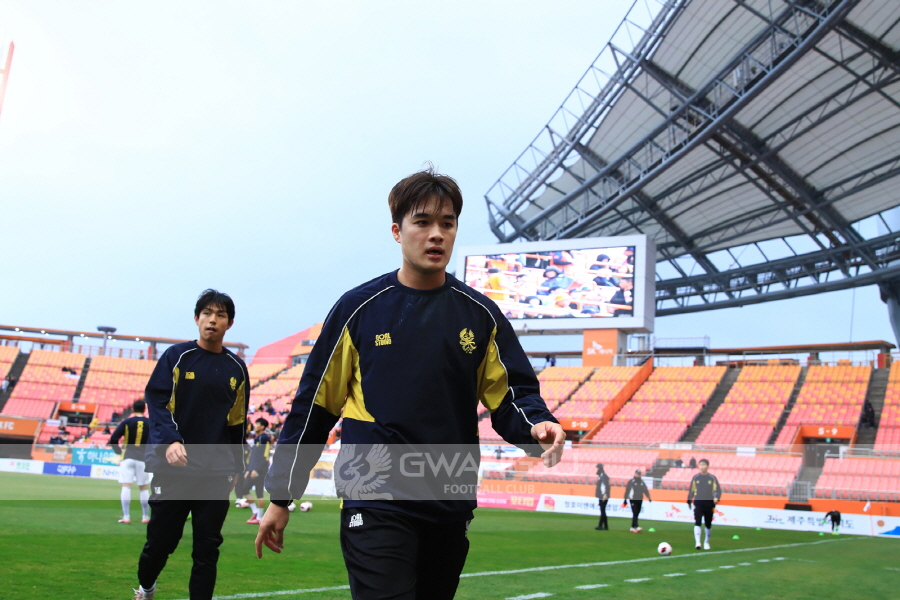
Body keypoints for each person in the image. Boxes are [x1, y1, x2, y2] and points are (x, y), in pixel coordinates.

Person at [256, 166, 565, 600]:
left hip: (449, 497)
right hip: (373, 495)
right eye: (422, 222)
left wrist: (536, 425)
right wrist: (281, 496)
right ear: (397, 232)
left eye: (447, 224)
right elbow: (314, 407)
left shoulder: (481, 316)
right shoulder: (357, 310)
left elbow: (512, 395)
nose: (436, 234)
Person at [131, 289, 249, 600]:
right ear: (196, 318)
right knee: (161, 543)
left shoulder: (237, 368)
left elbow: (237, 422)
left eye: (220, 315)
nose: (213, 320)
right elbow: (158, 403)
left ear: (229, 323)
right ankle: (147, 587)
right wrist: (170, 440)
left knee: (207, 549)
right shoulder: (177, 357)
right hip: (174, 469)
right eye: (207, 313)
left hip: (216, 472)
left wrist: (237, 467)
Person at [109, 399, 152, 524]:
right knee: (144, 488)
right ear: (144, 409)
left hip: (128, 456)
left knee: (126, 486)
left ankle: (126, 517)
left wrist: (118, 452)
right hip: (143, 458)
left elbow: (114, 438)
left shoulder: (126, 422)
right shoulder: (150, 423)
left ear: (133, 409)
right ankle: (145, 517)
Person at [243, 417, 273, 525]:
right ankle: (256, 513)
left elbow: (264, 456)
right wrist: (249, 469)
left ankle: (259, 517)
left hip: (260, 470)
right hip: (253, 469)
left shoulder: (264, 439)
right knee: (244, 489)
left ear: (262, 427)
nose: (254, 426)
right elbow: (254, 456)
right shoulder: (257, 438)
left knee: (259, 492)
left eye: (257, 424)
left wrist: (256, 469)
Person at [687, 458, 721, 550]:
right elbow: (691, 490)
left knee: (708, 523)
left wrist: (716, 497)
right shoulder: (696, 478)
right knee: (697, 521)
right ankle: (698, 542)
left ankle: (706, 542)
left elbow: (717, 490)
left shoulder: (712, 478)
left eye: (704, 465)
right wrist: (689, 500)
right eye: (700, 465)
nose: (702, 467)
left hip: (709, 503)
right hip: (698, 502)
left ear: (707, 466)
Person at [594, 463, 610, 530]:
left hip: (603, 496)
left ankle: (602, 526)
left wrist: (605, 494)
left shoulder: (603, 476)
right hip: (602, 495)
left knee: (602, 510)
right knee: (603, 510)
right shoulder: (602, 476)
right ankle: (604, 526)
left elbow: (605, 486)